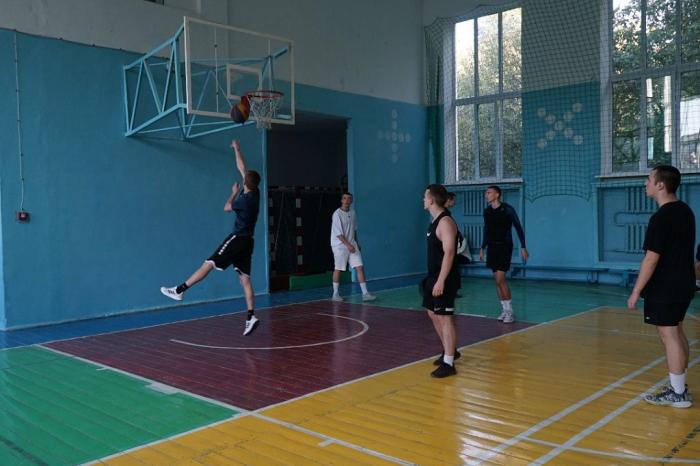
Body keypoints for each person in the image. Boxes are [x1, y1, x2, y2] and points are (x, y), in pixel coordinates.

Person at [160, 140, 262, 336]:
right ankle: (251, 316)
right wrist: (237, 149)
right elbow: (242, 168)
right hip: (249, 241)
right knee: (245, 280)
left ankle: (179, 290)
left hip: (237, 238)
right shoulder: (255, 192)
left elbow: (226, 207)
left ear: (245, 184)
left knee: (208, 263)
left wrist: (233, 194)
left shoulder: (244, 201)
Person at [627, 165, 694, 408]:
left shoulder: (661, 217)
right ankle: (680, 386)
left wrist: (636, 291)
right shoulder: (685, 211)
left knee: (669, 335)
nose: (645, 183)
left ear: (660, 185)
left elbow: (651, 259)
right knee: (676, 331)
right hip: (684, 283)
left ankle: (678, 393)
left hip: (665, 286)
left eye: (649, 179)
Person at [422, 184, 461, 378]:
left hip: (444, 278)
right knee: (432, 313)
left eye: (425, 197)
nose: (423, 200)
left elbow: (450, 253)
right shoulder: (434, 222)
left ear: (431, 200)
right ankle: (449, 349)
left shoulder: (445, 222)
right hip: (433, 276)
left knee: (445, 318)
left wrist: (441, 281)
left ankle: (449, 363)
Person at [479, 186, 528, 323]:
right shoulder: (487, 211)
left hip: (505, 247)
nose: (486, 195)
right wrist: (483, 247)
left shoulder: (507, 209)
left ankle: (510, 312)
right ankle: (504, 310)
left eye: (489, 192)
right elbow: (486, 230)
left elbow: (518, 227)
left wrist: (523, 246)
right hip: (492, 247)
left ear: (497, 194)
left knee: (500, 279)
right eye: (486, 193)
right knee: (497, 281)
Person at [330, 192, 376, 302]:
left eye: (349, 198)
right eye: (344, 198)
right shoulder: (337, 214)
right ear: (341, 200)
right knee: (338, 269)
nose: (347, 200)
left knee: (359, 267)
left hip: (352, 244)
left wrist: (356, 242)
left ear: (351, 201)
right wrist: (348, 245)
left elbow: (354, 229)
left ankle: (365, 294)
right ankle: (335, 294)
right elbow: (338, 234)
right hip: (339, 245)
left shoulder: (353, 212)